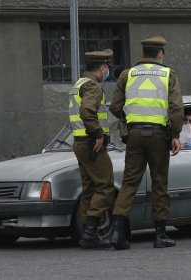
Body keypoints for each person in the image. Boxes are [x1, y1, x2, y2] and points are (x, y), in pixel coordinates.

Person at [109, 35, 184, 250]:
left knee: (129, 182)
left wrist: (130, 118)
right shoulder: (168, 74)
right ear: (161, 54)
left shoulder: (127, 74)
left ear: (142, 54)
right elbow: (177, 109)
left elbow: (115, 106)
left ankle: (117, 234)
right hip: (159, 137)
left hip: (134, 134)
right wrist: (176, 134)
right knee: (160, 183)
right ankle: (160, 235)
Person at [68, 49, 116, 249]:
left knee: (88, 189)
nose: (107, 71)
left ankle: (88, 232)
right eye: (107, 67)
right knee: (105, 185)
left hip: (80, 142)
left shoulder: (77, 84)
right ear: (103, 68)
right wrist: (98, 134)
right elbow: (87, 111)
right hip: (92, 143)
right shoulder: (93, 87)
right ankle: (91, 231)